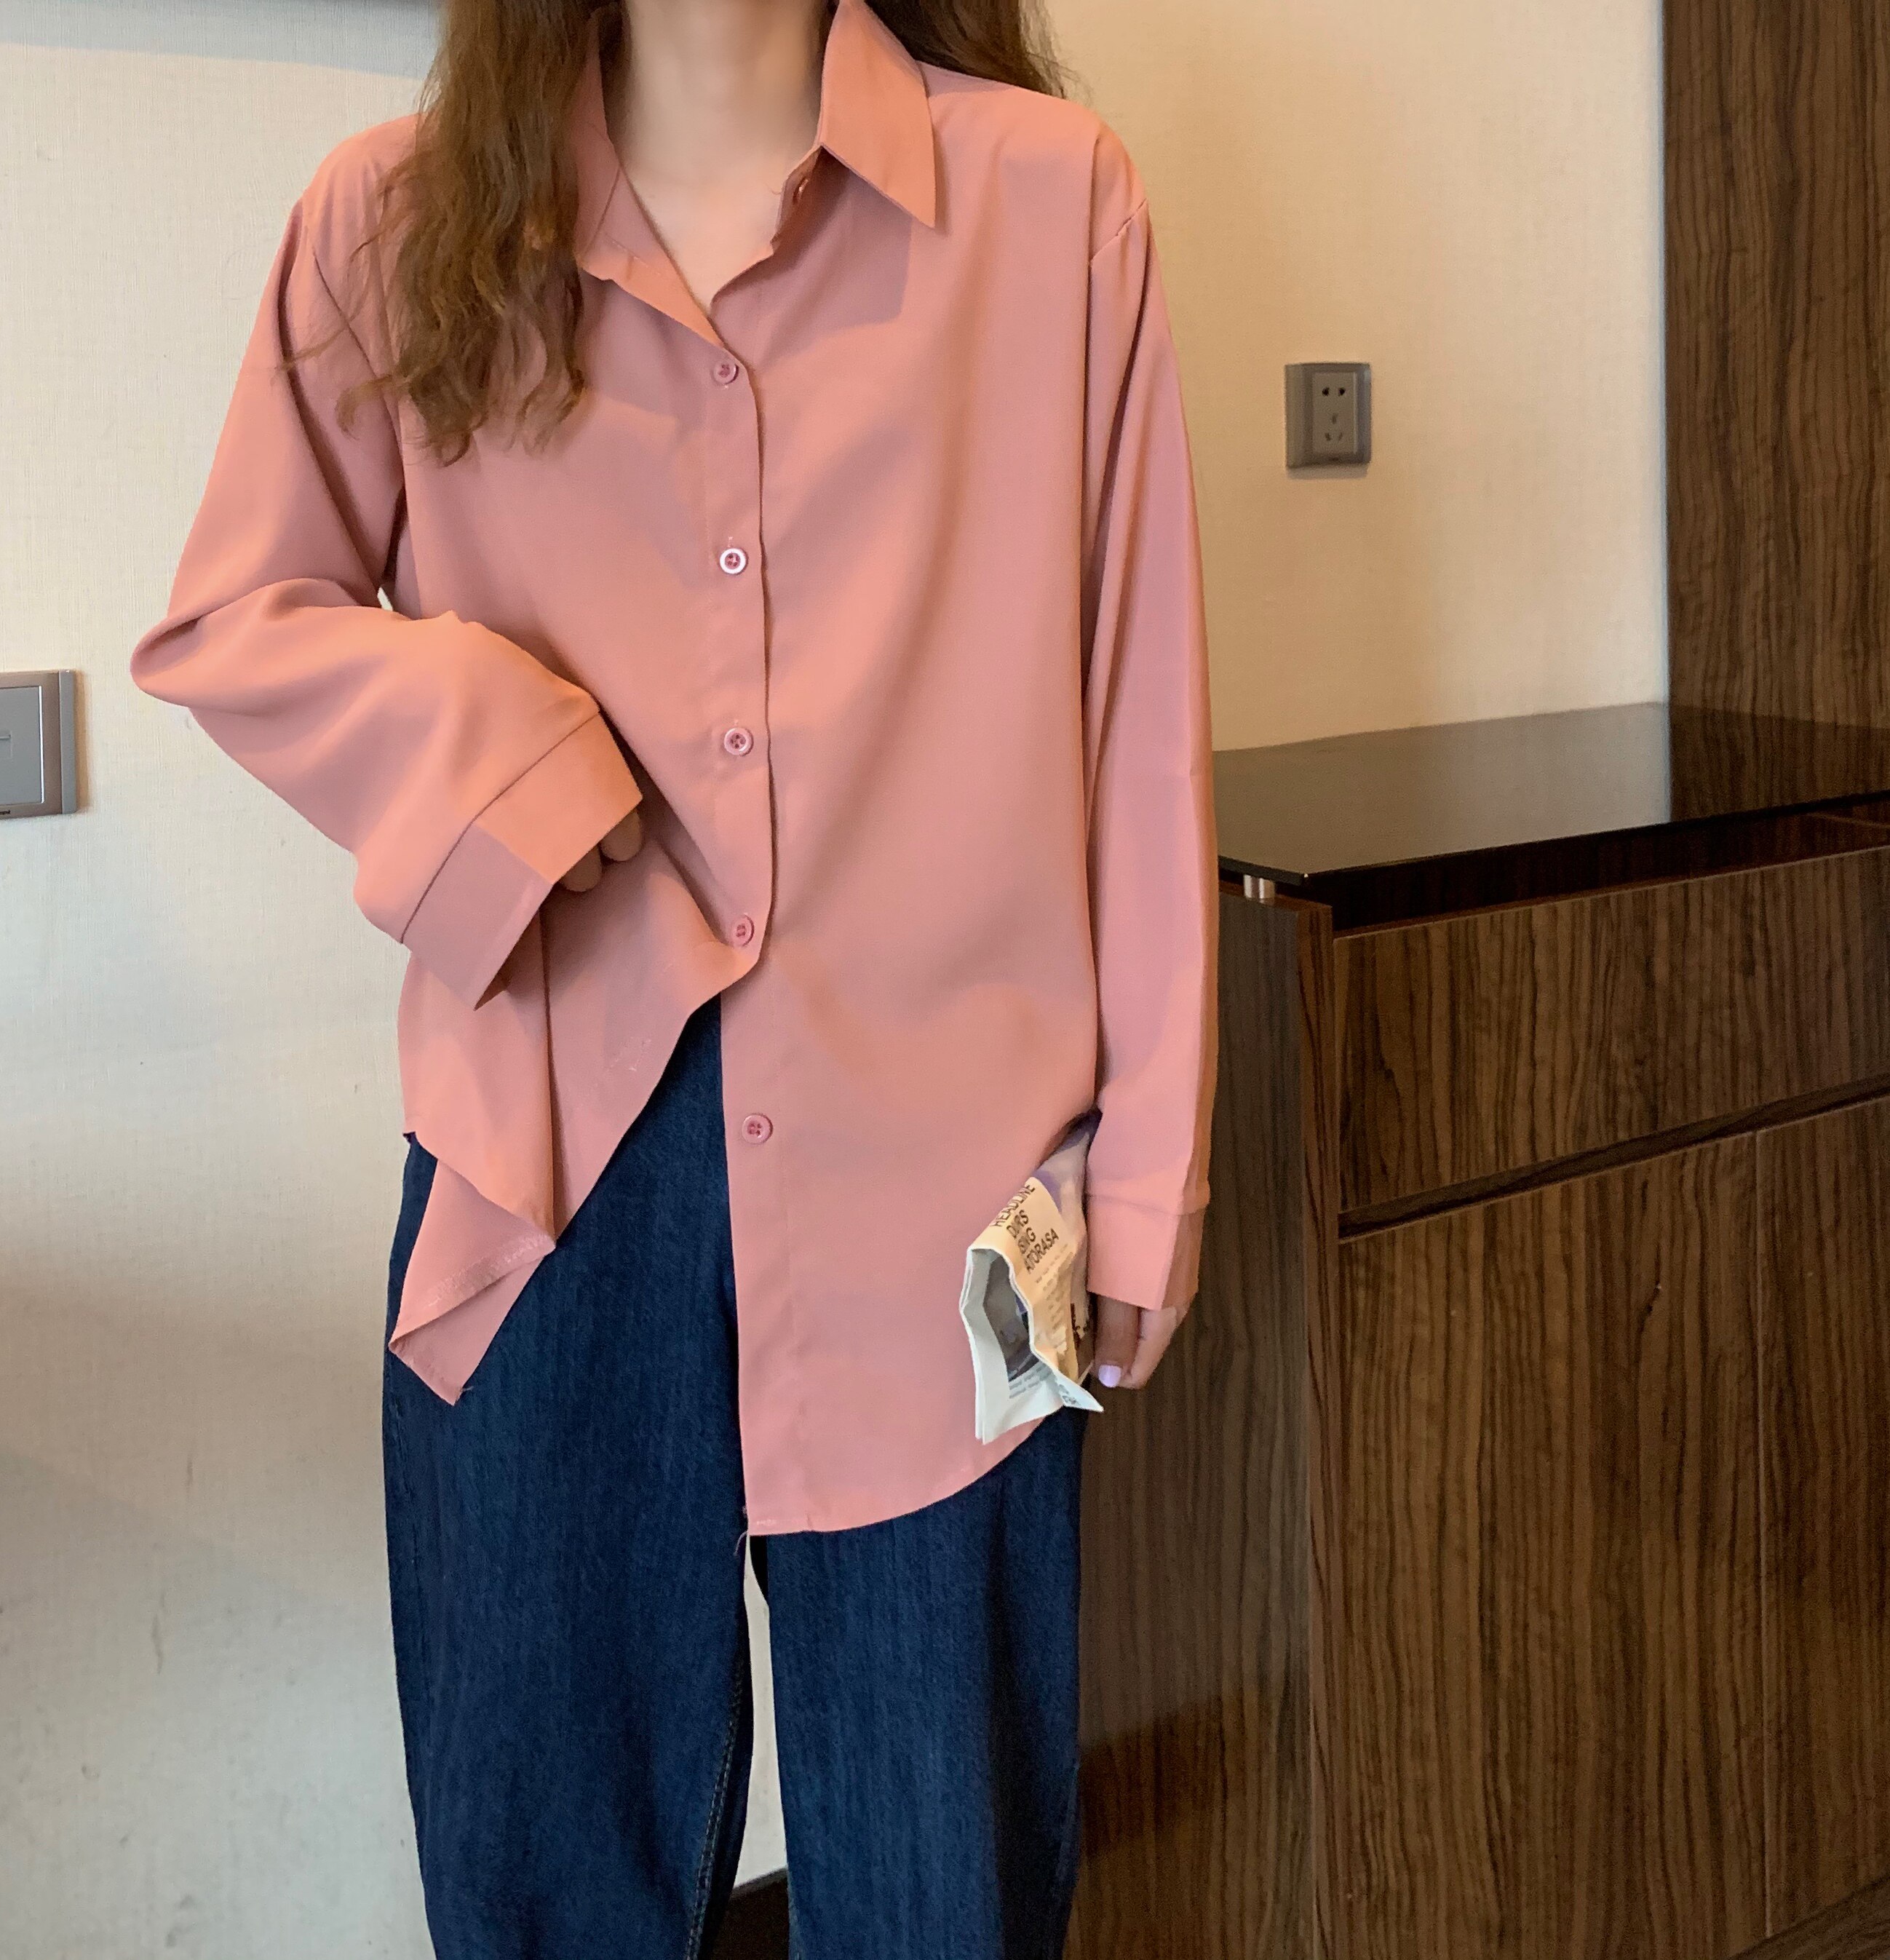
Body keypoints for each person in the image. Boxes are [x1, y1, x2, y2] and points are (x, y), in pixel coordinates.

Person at [130, 0, 1217, 1950]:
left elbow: (1138, 711)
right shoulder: (393, 221)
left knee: (947, 1887)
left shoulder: (1054, 210)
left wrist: (1147, 1175)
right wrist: (508, 769)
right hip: (544, 1182)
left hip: (944, 1190)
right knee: (547, 1888)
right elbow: (235, 617)